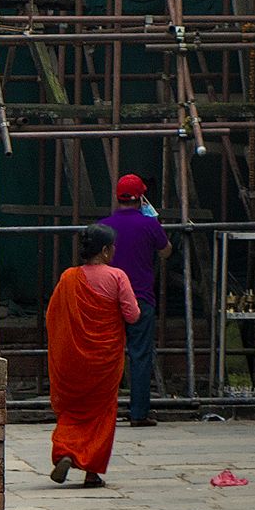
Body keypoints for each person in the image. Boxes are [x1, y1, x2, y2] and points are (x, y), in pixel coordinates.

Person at [47, 224, 140, 488]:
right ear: (105, 250)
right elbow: (132, 315)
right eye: (113, 247)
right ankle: (91, 471)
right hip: (105, 358)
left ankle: (65, 451)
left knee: (72, 409)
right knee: (102, 411)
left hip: (73, 359)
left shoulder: (68, 277)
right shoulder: (117, 277)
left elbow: (52, 316)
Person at [98, 172, 173, 426]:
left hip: (109, 299)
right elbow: (165, 252)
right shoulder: (149, 225)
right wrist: (153, 219)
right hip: (141, 298)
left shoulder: (104, 226)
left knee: (107, 355)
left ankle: (103, 411)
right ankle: (139, 413)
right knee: (140, 355)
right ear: (141, 198)